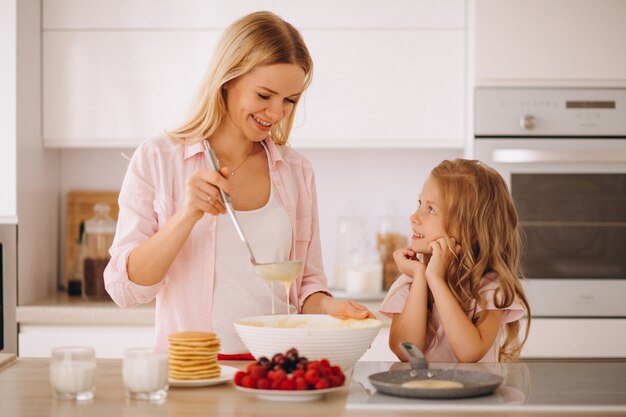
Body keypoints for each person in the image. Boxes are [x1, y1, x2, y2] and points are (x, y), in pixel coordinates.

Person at [104, 11, 373, 356]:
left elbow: (305, 287)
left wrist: (329, 308)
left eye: (289, 100)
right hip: (192, 373)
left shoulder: (296, 171)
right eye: (264, 96)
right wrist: (187, 215)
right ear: (228, 80)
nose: (276, 113)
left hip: (276, 371)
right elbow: (125, 289)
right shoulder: (158, 158)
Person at [380, 159, 531, 363]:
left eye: (431, 209)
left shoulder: (490, 289)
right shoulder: (411, 282)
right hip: (422, 394)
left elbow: (469, 353)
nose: (413, 217)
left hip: (476, 395)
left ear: (472, 230)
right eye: (419, 204)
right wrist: (420, 278)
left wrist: (436, 279)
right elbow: (407, 352)